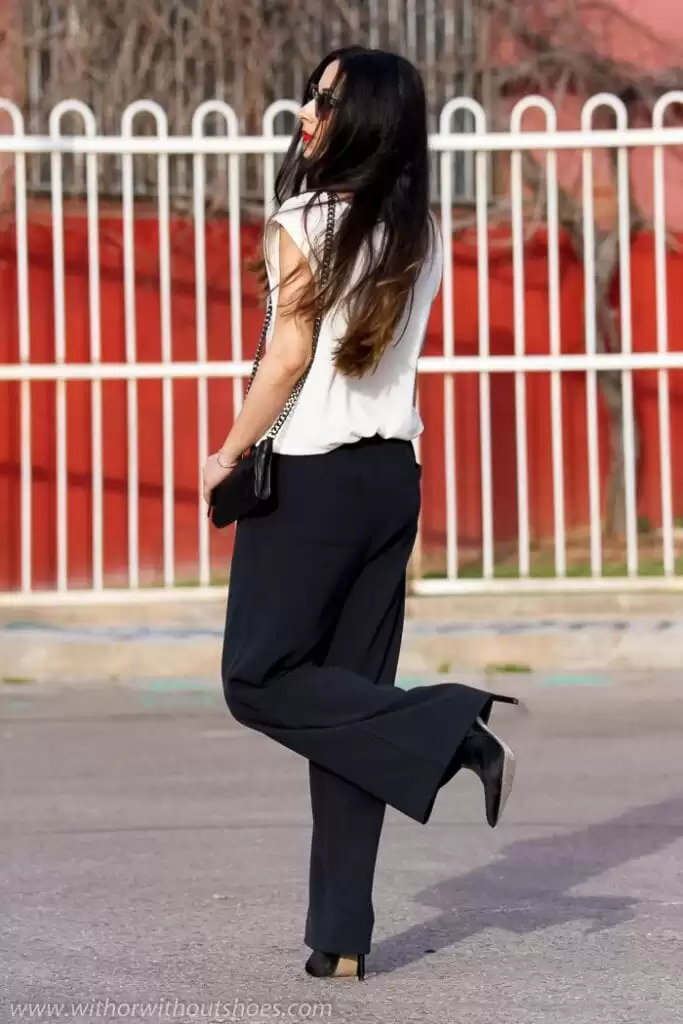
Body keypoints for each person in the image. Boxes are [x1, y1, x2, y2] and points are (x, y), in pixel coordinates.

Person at [201, 46, 519, 982]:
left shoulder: (302, 219)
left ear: (369, 117)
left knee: (257, 680)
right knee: (351, 706)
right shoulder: (420, 228)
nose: (307, 110)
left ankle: (451, 726)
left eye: (328, 100)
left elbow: (289, 354)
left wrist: (226, 451)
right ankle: (340, 939)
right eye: (309, 92)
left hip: (311, 483)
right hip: (390, 482)